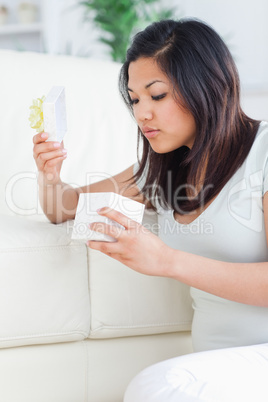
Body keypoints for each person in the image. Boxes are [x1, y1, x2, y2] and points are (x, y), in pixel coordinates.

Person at [33, 18, 268, 402]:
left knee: (154, 388)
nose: (142, 114)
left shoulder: (263, 151)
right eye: (135, 99)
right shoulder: (162, 171)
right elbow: (63, 208)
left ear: (206, 86)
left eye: (156, 96)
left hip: (257, 359)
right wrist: (49, 175)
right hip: (213, 367)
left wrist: (166, 260)